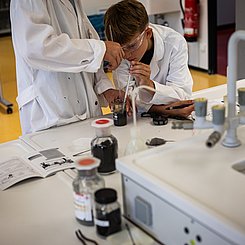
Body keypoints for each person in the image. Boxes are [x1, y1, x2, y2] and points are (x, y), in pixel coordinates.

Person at [10, 0, 127, 135]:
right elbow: (36, 48)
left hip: (83, 111)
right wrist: (101, 49)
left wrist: (105, 88)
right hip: (50, 113)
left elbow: (85, 44)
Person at [104, 0, 194, 119]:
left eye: (132, 46)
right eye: (121, 49)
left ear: (148, 33)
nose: (126, 54)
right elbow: (129, 100)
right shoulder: (119, 53)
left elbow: (183, 96)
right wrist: (163, 110)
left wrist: (149, 85)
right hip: (142, 121)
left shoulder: (174, 43)